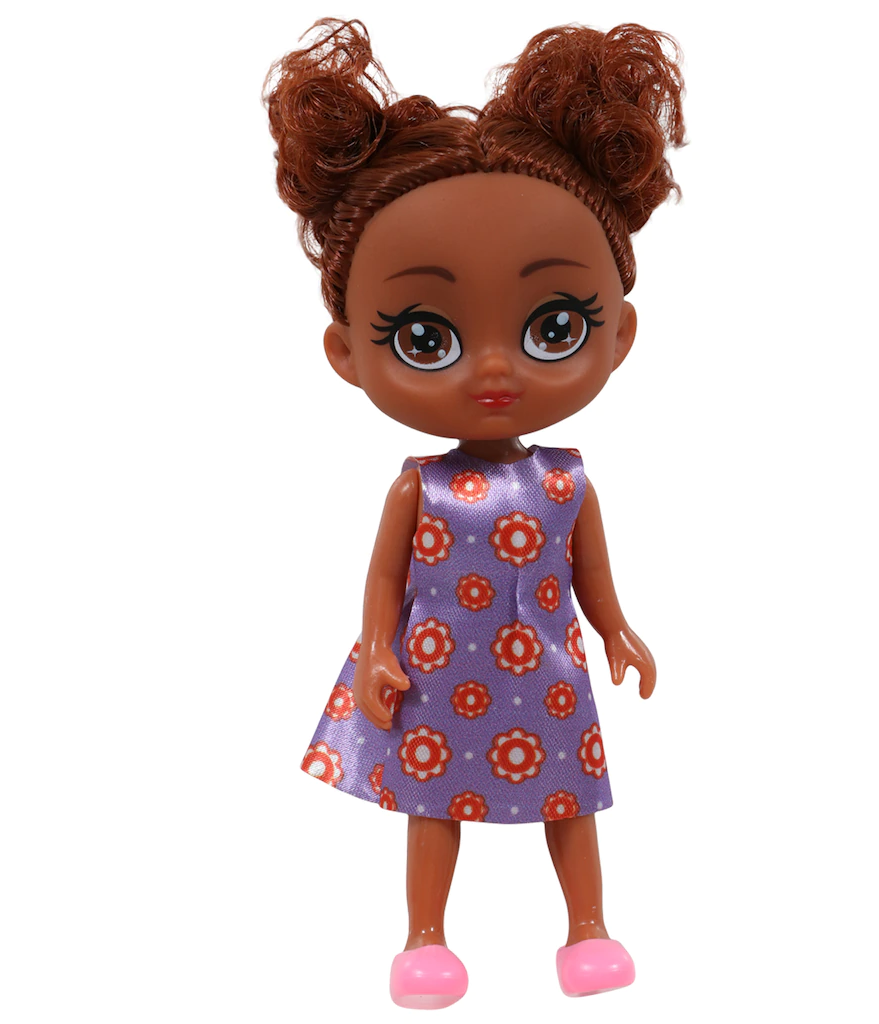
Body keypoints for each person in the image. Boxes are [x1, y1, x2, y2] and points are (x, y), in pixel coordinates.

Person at [264, 17, 685, 1008]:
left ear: (618, 335)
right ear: (346, 353)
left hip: (546, 667)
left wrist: (617, 629)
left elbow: (589, 574)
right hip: (438, 664)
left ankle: (588, 926)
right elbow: (386, 577)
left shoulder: (566, 479)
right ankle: (425, 936)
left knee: (571, 796)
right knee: (432, 799)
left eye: (553, 326)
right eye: (426, 336)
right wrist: (378, 650)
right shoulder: (418, 484)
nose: (494, 368)